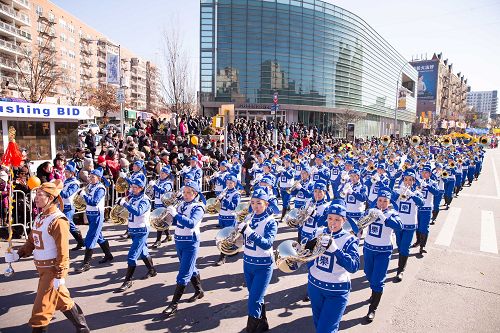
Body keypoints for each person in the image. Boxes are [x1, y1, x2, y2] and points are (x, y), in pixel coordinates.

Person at [4, 180, 90, 333]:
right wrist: (18, 254)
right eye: (35, 194)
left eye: (40, 195)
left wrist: (60, 274)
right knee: (64, 301)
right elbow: (31, 241)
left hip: (52, 270)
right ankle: (83, 329)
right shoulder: (40, 217)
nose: (35, 198)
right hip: (42, 269)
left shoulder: (58, 220)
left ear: (50, 198)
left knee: (41, 311)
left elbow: (63, 251)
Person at [306, 203, 360, 333]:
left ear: (344, 220)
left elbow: (353, 266)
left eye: (337, 219)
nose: (333, 223)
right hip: (315, 287)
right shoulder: (318, 232)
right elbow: (307, 256)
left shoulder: (349, 239)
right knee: (318, 324)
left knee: (326, 330)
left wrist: (336, 250)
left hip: (336, 291)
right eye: (330, 218)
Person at [162, 180, 206, 317]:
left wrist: (176, 214)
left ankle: (173, 304)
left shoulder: (198, 207)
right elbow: (176, 221)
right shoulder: (181, 205)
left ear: (195, 193)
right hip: (179, 240)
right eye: (184, 192)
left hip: (190, 242)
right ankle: (199, 291)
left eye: (188, 193)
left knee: (183, 273)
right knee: (189, 267)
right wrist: (168, 215)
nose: (185, 195)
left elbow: (191, 223)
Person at [238, 188, 278, 332]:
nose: (255, 206)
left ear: (266, 204)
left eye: (259, 203)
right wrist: (238, 233)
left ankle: (251, 329)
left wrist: (249, 232)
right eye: (253, 202)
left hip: (263, 265)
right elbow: (242, 241)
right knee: (256, 297)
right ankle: (263, 324)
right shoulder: (248, 218)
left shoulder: (270, 221)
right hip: (247, 263)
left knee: (254, 300)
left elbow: (267, 243)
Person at [363, 190, 402, 322]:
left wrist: (384, 217)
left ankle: (372, 308)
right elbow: (360, 223)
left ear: (389, 202)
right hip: (368, 249)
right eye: (380, 200)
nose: (382, 203)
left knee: (378, 280)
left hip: (383, 251)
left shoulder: (392, 214)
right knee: (368, 273)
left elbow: (399, 226)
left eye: (385, 201)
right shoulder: (371, 212)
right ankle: (374, 293)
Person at [116, 176, 156, 291]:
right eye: (132, 187)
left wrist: (125, 204)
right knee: (143, 252)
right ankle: (152, 270)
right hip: (133, 230)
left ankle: (128, 281)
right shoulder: (133, 196)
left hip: (141, 230)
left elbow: (138, 212)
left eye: (135, 187)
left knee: (132, 256)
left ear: (141, 188)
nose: (132, 189)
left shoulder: (145, 200)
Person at [75, 167, 113, 273]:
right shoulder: (91, 186)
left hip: (97, 215)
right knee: (99, 236)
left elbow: (94, 202)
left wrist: (83, 195)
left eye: (93, 177)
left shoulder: (100, 188)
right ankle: (108, 255)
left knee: (90, 238)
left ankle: (86, 263)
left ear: (99, 178)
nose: (90, 178)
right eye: (90, 176)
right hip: (90, 214)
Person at [392, 170, 424, 281]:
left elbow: (421, 203)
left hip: (410, 225)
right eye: (405, 179)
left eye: (410, 179)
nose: (407, 182)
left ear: (413, 181)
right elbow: (390, 199)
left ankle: (400, 271)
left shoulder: (417, 193)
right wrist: (398, 192)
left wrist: (412, 194)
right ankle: (401, 262)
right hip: (398, 224)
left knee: (404, 248)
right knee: (399, 246)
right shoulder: (398, 190)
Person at [216, 174, 241, 265]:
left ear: (234, 183)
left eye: (231, 183)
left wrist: (224, 199)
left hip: (230, 217)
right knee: (229, 236)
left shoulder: (236, 194)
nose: (229, 184)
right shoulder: (224, 191)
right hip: (222, 216)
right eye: (227, 183)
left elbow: (234, 206)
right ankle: (234, 249)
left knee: (225, 238)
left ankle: (222, 257)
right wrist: (218, 200)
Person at [60, 162, 84, 251]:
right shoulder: (66, 181)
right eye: (65, 171)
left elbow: (67, 195)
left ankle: (64, 245)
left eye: (67, 172)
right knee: (69, 225)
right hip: (62, 206)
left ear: (72, 173)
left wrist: (58, 188)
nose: (65, 173)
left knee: (66, 224)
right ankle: (80, 242)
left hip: (69, 206)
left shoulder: (75, 183)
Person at [151, 165, 175, 248]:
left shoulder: (168, 182)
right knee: (162, 221)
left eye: (163, 173)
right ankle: (168, 236)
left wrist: (154, 186)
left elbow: (164, 191)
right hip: (157, 203)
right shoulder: (158, 181)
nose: (161, 174)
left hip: (163, 204)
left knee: (159, 222)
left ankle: (158, 240)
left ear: (167, 174)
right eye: (161, 172)